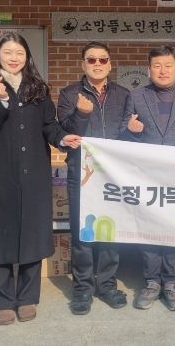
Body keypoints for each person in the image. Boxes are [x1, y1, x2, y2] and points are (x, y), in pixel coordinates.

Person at [0, 33, 81, 326]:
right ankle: (3, 301)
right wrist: (0, 101)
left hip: (34, 174)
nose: (14, 58)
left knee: (33, 234)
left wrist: (62, 138)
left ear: (27, 56)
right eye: (8, 52)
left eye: (19, 52)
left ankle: (28, 297)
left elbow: (48, 125)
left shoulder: (38, 88)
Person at [120, 45, 175, 311]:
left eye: (168, 65)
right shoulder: (136, 96)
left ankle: (171, 281)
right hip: (147, 177)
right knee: (149, 228)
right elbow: (123, 135)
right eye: (157, 65)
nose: (162, 70)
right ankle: (151, 281)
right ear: (149, 69)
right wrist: (132, 131)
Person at [57, 42, 130, 315]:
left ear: (110, 64)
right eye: (91, 60)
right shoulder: (69, 94)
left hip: (113, 176)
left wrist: (134, 131)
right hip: (82, 175)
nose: (97, 64)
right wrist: (81, 113)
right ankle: (83, 290)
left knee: (110, 231)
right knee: (84, 233)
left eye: (102, 59)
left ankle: (108, 285)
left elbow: (126, 135)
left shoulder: (123, 94)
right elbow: (66, 135)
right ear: (83, 64)